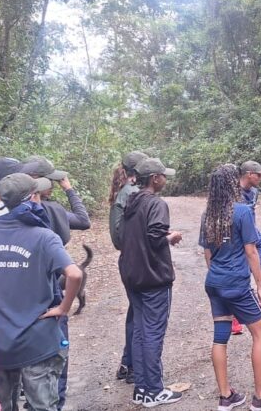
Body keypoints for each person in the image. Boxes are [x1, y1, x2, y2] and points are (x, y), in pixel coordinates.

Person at [199, 164, 261, 411]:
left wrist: (217, 275)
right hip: (235, 285)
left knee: (220, 336)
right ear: (232, 184)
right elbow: (251, 251)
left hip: (215, 283)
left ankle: (225, 395)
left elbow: (208, 253)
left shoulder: (208, 214)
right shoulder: (241, 212)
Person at [0, 173, 83, 411]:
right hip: (37, 341)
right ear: (33, 198)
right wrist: (63, 307)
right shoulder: (44, 236)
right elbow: (74, 274)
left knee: (0, 405)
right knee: (42, 406)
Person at [21, 156, 90, 411]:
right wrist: (69, 189)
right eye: (51, 180)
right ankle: (53, 403)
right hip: (49, 290)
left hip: (16, 294)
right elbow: (84, 220)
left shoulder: (5, 213)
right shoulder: (55, 211)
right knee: (56, 351)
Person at [119, 158, 183, 407]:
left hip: (133, 276)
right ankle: (154, 390)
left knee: (140, 332)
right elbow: (155, 235)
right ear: (155, 178)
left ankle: (142, 389)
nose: (166, 179)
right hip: (153, 279)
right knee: (153, 333)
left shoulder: (132, 201)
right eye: (163, 175)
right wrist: (171, 236)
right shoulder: (156, 203)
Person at [108, 150, 148, 384]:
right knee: (141, 315)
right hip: (136, 260)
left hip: (127, 258)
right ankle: (134, 367)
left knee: (135, 313)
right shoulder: (133, 193)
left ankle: (127, 363)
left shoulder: (123, 191)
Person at [230, 161, 261, 336]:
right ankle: (234, 319)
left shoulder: (254, 192)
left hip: (255, 237)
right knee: (239, 278)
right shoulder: (232, 194)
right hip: (238, 240)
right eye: (259, 175)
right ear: (249, 174)